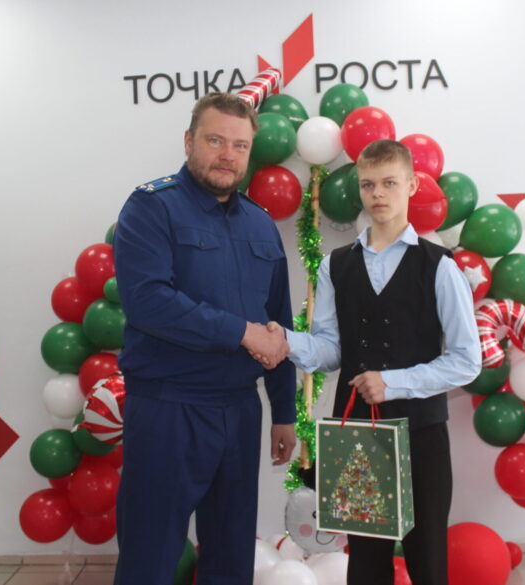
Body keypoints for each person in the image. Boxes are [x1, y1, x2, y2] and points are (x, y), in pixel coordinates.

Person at [268, 139, 481, 585]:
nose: (378, 193)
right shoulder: (334, 266)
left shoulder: (439, 266)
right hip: (358, 435)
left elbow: (466, 361)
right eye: (368, 185)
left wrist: (392, 382)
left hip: (422, 435)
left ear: (412, 185)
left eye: (389, 183)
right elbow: (331, 351)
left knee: (427, 558)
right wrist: (286, 342)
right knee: (365, 560)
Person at [112, 92, 297, 585]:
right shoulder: (151, 208)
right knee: (149, 557)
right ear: (189, 141)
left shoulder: (260, 223)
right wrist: (240, 332)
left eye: (240, 145)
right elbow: (148, 301)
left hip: (239, 410)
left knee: (232, 558)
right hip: (168, 407)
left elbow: (277, 323)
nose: (227, 155)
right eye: (215, 141)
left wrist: (283, 411)